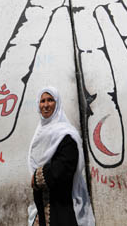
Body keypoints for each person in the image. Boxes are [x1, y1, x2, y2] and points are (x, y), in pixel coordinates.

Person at [28, 87, 95, 226]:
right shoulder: (40, 133)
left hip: (63, 207)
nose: (46, 105)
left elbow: (65, 167)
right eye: (42, 101)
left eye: (50, 100)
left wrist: (37, 177)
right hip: (42, 208)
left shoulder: (66, 134)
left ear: (57, 103)